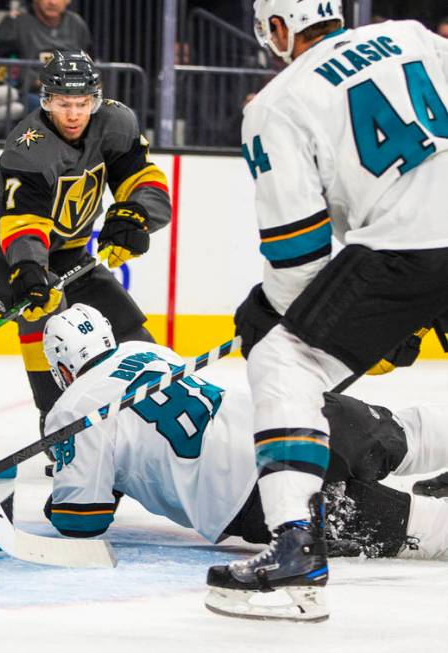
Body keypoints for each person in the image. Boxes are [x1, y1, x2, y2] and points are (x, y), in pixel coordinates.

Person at [209, 1, 448, 622]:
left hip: (406, 249)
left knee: (281, 354)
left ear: (280, 28)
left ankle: (294, 550)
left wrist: (361, 327)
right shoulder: (411, 35)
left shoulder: (276, 103)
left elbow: (297, 251)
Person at [41, 305, 448, 573]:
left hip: (249, 496)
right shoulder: (151, 353)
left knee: (418, 526)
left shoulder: (72, 409)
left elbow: (82, 523)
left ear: (61, 364)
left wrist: (68, 490)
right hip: (287, 419)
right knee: (407, 433)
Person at [0, 49, 171, 441]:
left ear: (96, 99)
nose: (73, 114)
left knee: (127, 326)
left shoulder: (116, 123)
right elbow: (25, 222)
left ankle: (167, 409)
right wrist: (28, 270)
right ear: (46, 101)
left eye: (82, 103)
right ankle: (56, 425)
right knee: (45, 309)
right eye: (62, 103)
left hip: (68, 254)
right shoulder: (28, 144)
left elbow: (143, 179)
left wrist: (135, 214)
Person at [0, 0, 92, 112]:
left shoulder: (77, 24)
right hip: (29, 93)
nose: (53, 2)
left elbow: (87, 65)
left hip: (71, 93)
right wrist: (33, 80)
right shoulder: (15, 22)